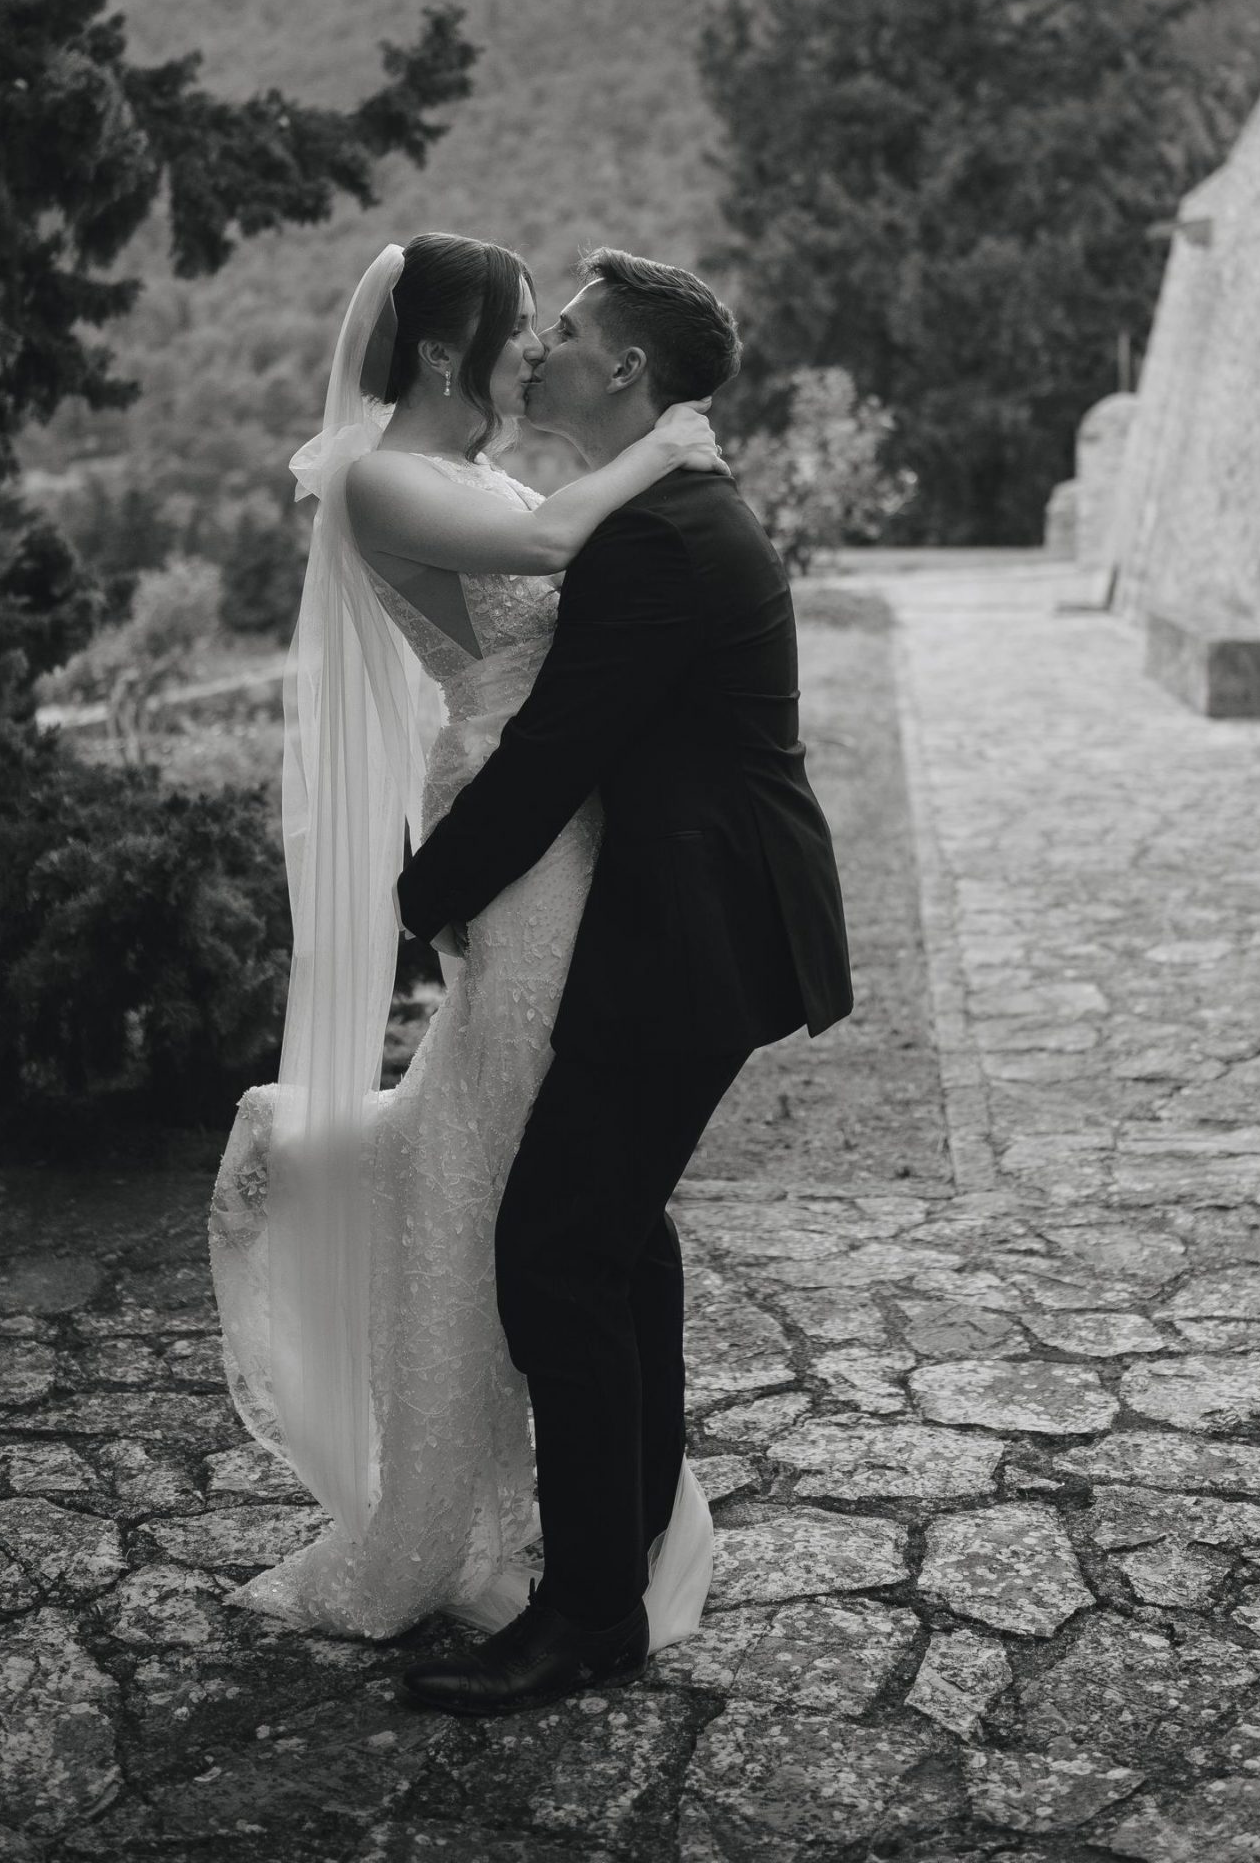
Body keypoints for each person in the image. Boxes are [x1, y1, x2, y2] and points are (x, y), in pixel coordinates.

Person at [208, 232, 725, 1640]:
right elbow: (558, 548)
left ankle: (579, 1503)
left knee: (512, 1118)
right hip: (511, 811)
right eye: (512, 337)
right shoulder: (378, 476)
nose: (531, 355)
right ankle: (479, 1503)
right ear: (445, 353)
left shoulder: (483, 470)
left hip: (563, 800)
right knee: (519, 1108)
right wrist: (670, 442)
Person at [395, 247, 853, 1718]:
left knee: (553, 1250)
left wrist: (421, 898)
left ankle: (590, 1612)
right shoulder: (654, 508)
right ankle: (633, 1542)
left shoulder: (656, 537)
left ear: (629, 374)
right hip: (691, 916)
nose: (549, 349)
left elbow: (553, 757)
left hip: (693, 931)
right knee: (610, 1232)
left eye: (573, 331)